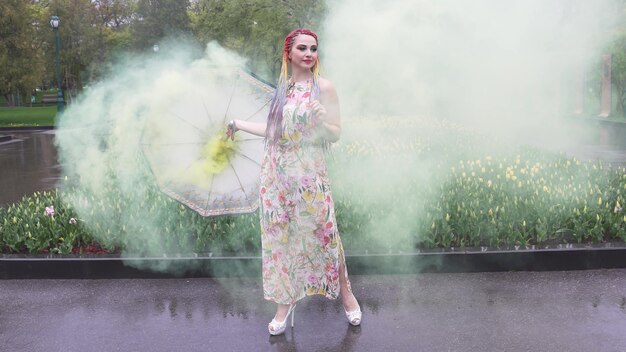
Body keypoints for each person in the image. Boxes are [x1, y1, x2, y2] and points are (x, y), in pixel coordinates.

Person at [227, 28, 362, 335]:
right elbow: (273, 129)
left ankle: (346, 294)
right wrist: (238, 124)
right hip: (276, 176)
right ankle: (284, 305)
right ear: (288, 53)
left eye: (313, 49)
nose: (309, 53)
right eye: (302, 48)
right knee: (280, 243)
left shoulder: (324, 88)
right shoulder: (283, 89)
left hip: (309, 174)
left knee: (326, 235)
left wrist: (320, 121)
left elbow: (336, 132)